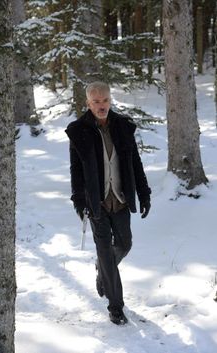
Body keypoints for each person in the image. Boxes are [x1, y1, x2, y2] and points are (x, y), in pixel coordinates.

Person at [65, 81, 151, 325]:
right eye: (96, 102)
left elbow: (135, 164)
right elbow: (76, 170)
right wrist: (79, 201)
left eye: (105, 101)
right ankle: (116, 307)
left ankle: (103, 270)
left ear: (110, 100)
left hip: (121, 200)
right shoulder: (78, 130)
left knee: (125, 243)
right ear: (88, 104)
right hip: (97, 203)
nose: (101, 106)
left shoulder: (123, 127)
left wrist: (144, 194)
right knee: (104, 250)